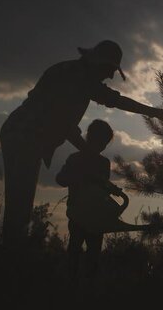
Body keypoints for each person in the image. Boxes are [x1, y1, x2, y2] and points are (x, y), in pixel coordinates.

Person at [0, 40, 163, 246]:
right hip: (24, 136)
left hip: (21, 135)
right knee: (19, 205)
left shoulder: (77, 75)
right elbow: (63, 122)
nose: (111, 76)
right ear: (98, 63)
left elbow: (113, 100)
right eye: (109, 69)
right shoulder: (75, 78)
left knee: (18, 204)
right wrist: (87, 150)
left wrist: (154, 113)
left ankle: (10, 252)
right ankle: (10, 259)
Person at [55, 119, 126, 281]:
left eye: (104, 143)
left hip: (95, 217)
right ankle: (71, 287)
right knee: (74, 253)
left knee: (92, 257)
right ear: (90, 138)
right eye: (100, 141)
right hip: (78, 214)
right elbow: (60, 179)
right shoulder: (75, 159)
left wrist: (112, 189)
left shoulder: (102, 163)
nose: (102, 146)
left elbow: (103, 188)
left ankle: (85, 290)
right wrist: (78, 176)